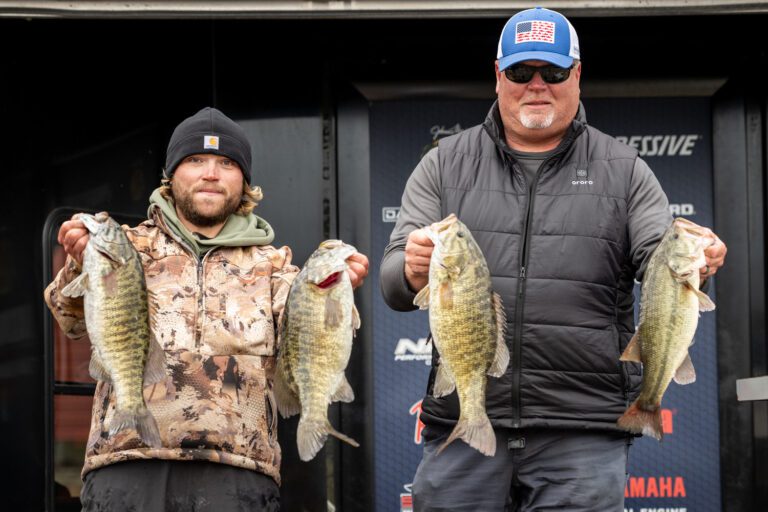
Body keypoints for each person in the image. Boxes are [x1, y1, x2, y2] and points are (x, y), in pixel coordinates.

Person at [379, 7, 726, 511]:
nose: (536, 85)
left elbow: (662, 264)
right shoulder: (443, 163)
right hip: (466, 421)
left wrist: (701, 262)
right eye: (521, 72)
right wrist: (410, 270)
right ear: (498, 76)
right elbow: (393, 283)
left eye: (554, 72)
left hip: (582, 431)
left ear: (577, 75)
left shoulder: (624, 170)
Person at [45, 107, 369, 511]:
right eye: (195, 160)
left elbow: (307, 343)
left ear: (244, 181)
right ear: (171, 175)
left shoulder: (276, 267)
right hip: (126, 462)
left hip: (238, 471)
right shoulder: (124, 247)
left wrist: (336, 291)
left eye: (226, 163)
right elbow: (70, 320)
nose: (211, 173)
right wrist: (78, 261)